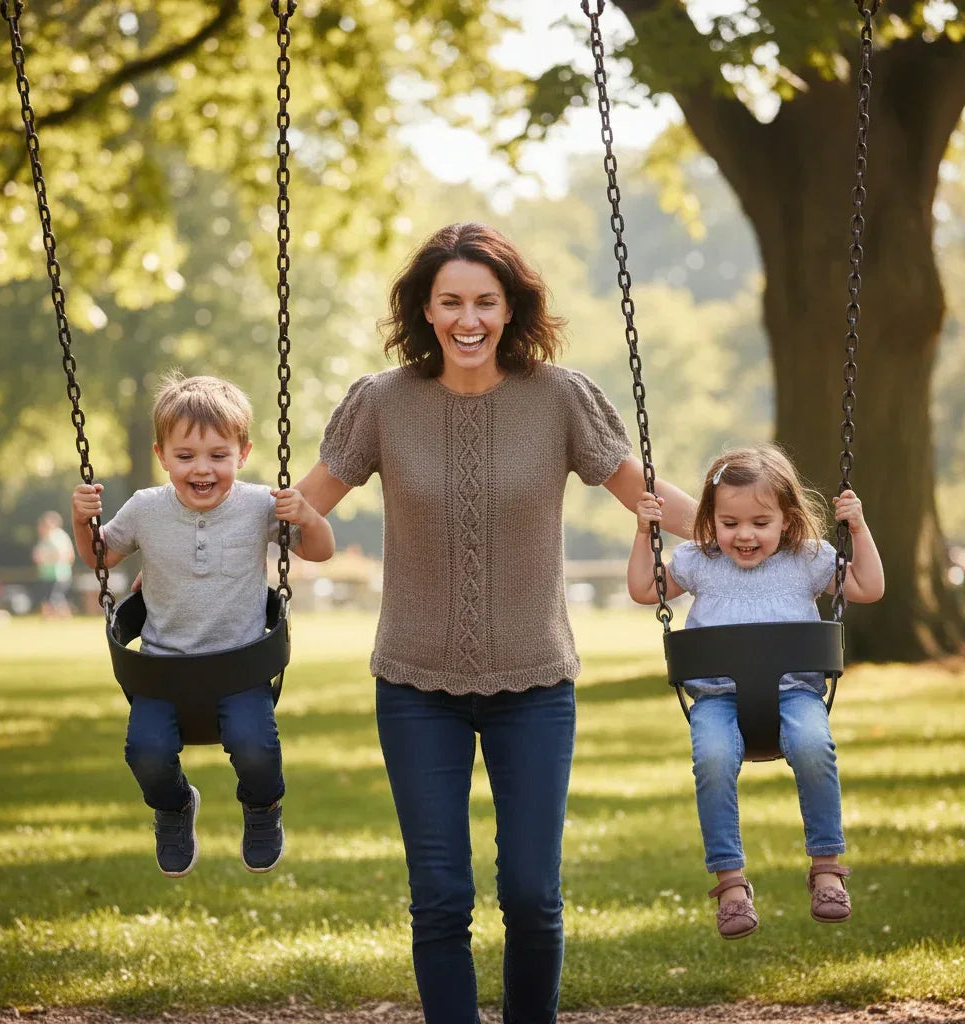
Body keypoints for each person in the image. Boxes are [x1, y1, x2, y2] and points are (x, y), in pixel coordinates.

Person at [293, 222, 697, 1024]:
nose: (467, 318)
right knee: (440, 896)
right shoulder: (380, 403)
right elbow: (302, 514)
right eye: (451, 301)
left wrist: (763, 533)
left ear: (512, 309)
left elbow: (648, 493)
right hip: (414, 684)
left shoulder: (560, 397)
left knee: (531, 894)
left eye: (485, 300)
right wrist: (200, 516)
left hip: (535, 681)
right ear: (426, 309)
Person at [70, 372, 334, 878]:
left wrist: (309, 516)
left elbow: (320, 551)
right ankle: (173, 808)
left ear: (243, 452)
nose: (202, 469)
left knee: (257, 750)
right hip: (163, 669)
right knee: (145, 754)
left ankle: (262, 810)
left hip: (240, 668)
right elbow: (100, 558)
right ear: (161, 455)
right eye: (185, 456)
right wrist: (82, 522)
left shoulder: (260, 505)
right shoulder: (146, 508)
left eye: (218, 455)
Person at [627, 444, 884, 940]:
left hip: (796, 694)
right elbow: (643, 589)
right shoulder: (698, 561)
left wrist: (857, 527)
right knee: (714, 759)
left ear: (787, 520)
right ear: (710, 519)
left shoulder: (809, 559)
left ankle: (827, 869)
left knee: (814, 747)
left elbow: (867, 587)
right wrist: (644, 533)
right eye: (729, 523)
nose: (744, 535)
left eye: (759, 523)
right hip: (717, 699)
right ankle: (730, 885)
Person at [32, 511, 76, 618]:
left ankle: (63, 617)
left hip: (59, 574)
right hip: (47, 574)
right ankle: (49, 618)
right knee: (50, 598)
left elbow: (65, 555)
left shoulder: (58, 536)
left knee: (55, 598)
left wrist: (47, 559)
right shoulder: (45, 538)